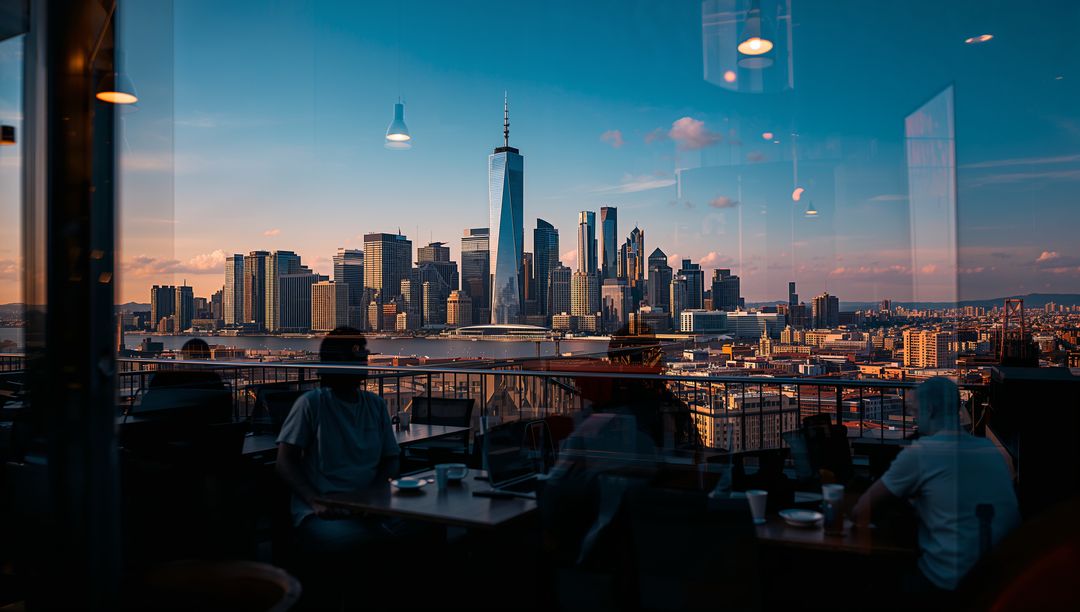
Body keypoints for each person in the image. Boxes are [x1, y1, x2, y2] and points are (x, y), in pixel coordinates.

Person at [853, 377, 1020, 594]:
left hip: (947, 583)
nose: (913, 416)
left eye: (915, 410)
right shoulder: (988, 449)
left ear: (930, 409)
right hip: (1000, 582)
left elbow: (862, 510)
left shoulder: (923, 452)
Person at [275, 328, 401, 554]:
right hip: (321, 513)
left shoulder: (376, 405)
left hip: (368, 507)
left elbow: (391, 458)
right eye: (356, 355)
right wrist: (314, 501)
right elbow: (285, 461)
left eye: (363, 353)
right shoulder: (311, 404)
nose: (363, 359)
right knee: (379, 544)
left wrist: (375, 493)